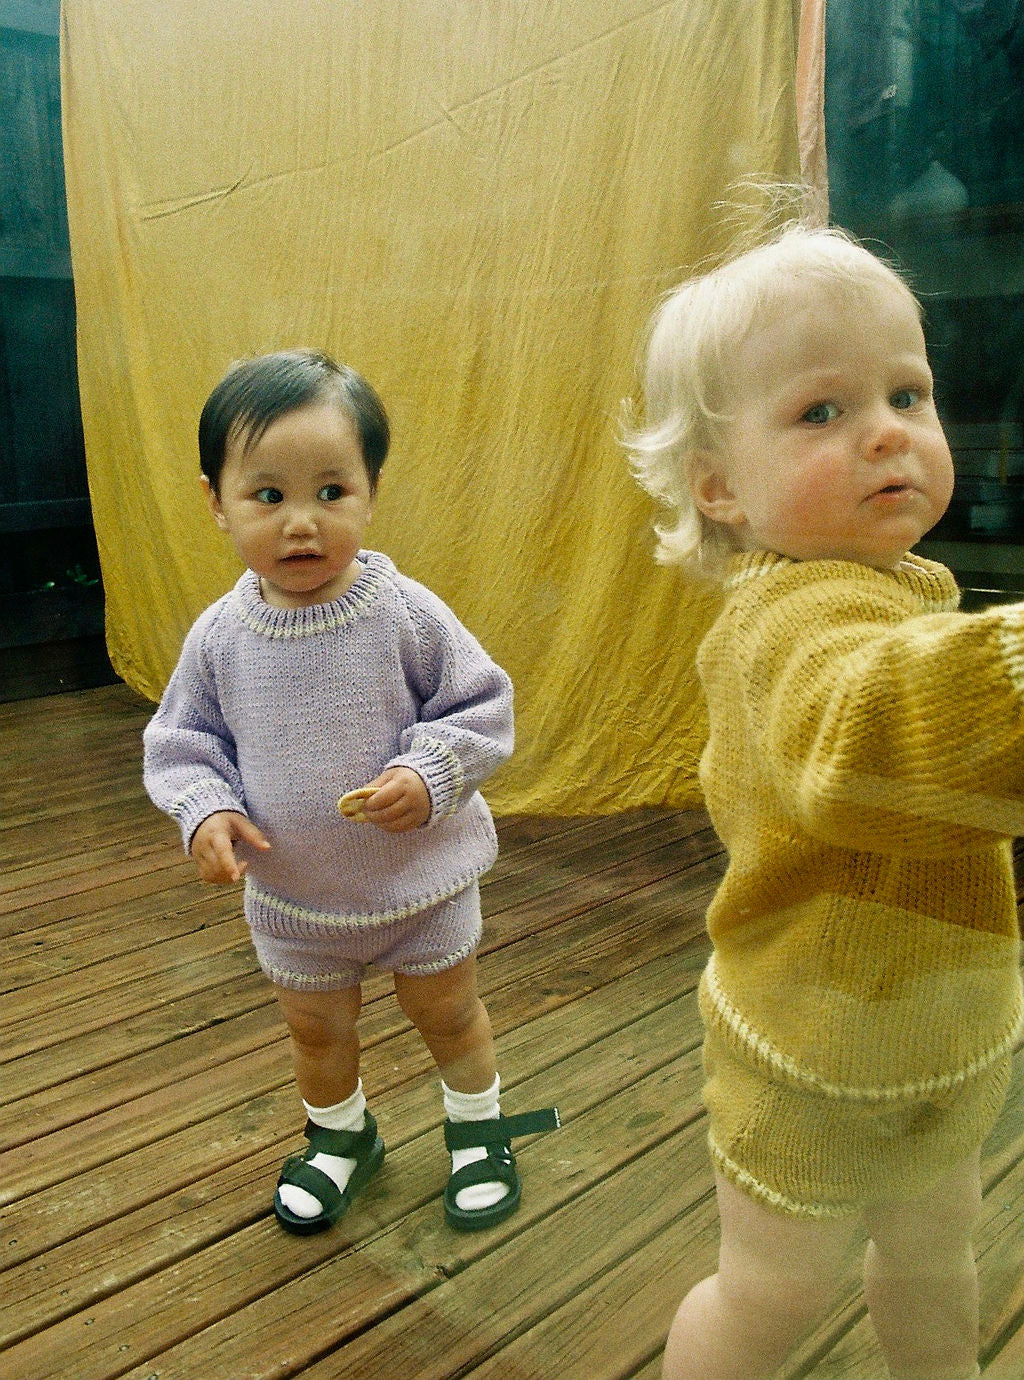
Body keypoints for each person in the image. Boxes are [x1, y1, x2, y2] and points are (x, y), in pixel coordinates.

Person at [625, 223, 1023, 1380]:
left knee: (936, 1249)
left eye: (908, 391)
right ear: (717, 487)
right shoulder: (785, 624)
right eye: (821, 412)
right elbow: (861, 737)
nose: (888, 429)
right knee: (767, 1294)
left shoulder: (899, 591)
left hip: (935, 1033)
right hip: (809, 1057)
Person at [144, 348, 557, 1237]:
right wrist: (205, 808)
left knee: (448, 1014)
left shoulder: (402, 610)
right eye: (269, 496)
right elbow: (183, 743)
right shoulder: (220, 638)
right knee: (317, 1035)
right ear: (216, 501)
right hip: (294, 900)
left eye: (332, 493)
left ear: (370, 492)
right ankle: (342, 1138)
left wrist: (429, 772)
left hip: (421, 886)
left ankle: (479, 1130)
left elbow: (480, 704)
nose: (303, 524)